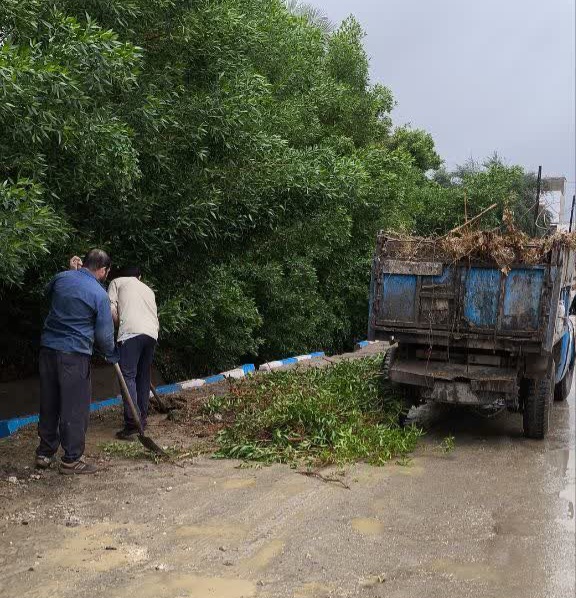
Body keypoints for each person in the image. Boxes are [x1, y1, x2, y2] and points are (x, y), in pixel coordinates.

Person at [36, 249, 118, 474]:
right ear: (102, 270)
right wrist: (112, 353)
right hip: (74, 355)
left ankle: (44, 452)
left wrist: (71, 272)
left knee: (49, 401)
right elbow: (104, 336)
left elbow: (46, 293)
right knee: (74, 407)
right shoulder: (99, 294)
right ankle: (71, 460)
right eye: (106, 272)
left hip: (48, 349)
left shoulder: (62, 277)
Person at [108, 266, 159, 440]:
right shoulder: (148, 289)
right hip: (152, 334)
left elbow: (111, 311)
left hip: (130, 333)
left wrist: (115, 327)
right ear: (139, 276)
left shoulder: (116, 282)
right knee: (143, 376)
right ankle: (142, 418)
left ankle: (132, 423)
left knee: (127, 376)